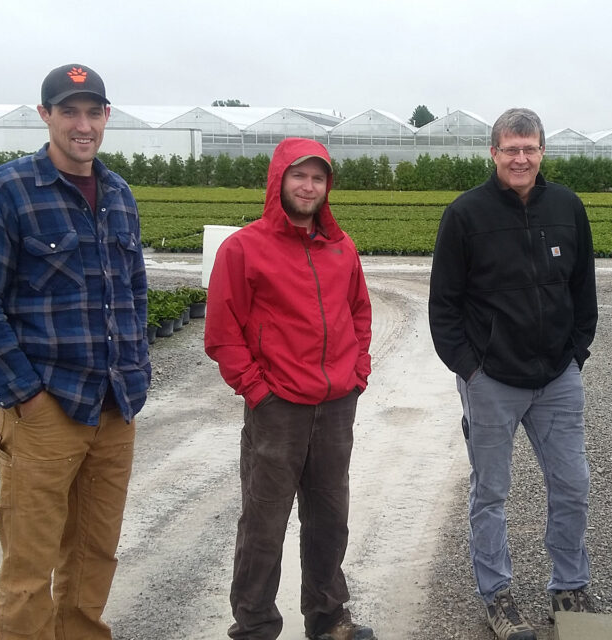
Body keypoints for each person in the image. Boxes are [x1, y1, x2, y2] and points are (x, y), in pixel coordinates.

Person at [0, 63, 149, 640]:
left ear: (106, 116)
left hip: (114, 408)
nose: (82, 125)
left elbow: (133, 290)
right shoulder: (3, 191)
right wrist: (27, 398)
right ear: (46, 115)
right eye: (69, 111)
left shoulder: (119, 194)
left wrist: (137, 369)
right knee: (29, 570)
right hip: (47, 412)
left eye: (93, 112)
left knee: (95, 555)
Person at [428, 108, 598, 640]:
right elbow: (443, 306)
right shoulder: (465, 215)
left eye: (529, 148)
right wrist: (471, 370)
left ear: (542, 151)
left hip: (557, 378)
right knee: (491, 492)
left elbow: (584, 289)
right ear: (493, 153)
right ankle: (496, 594)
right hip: (492, 381)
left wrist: (576, 352)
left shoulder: (567, 207)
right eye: (510, 149)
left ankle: (569, 585)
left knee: (572, 484)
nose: (520, 158)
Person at [204, 138, 375, 640]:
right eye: (299, 175)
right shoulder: (244, 248)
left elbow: (359, 313)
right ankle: (255, 625)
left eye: (318, 178)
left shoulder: (341, 248)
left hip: (336, 406)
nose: (308, 186)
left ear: (327, 187)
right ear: (279, 180)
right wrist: (257, 390)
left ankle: (328, 617)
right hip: (277, 408)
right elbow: (223, 334)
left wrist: (357, 372)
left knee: (329, 519)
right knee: (264, 523)